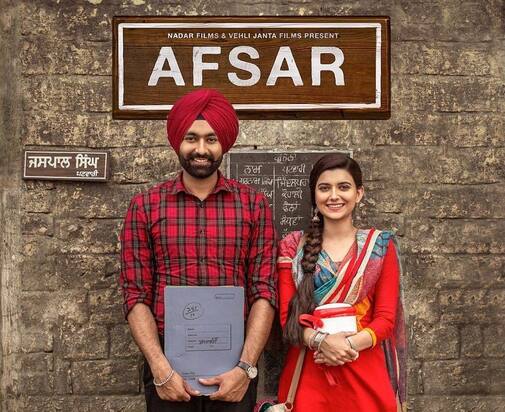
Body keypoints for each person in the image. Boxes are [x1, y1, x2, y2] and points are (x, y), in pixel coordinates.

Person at [120, 89, 277, 412]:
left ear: (224, 143)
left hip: (235, 365)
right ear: (177, 141)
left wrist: (246, 369)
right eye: (191, 138)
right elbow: (135, 294)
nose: (201, 149)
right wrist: (160, 369)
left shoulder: (254, 205)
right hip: (167, 368)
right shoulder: (145, 206)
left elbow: (264, 291)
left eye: (211, 139)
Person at [276, 153, 407, 412]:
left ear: (359, 194)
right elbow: (286, 319)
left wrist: (344, 346)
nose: (334, 196)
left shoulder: (379, 247)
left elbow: (385, 319)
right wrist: (321, 342)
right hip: (308, 374)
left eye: (343, 187)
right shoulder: (292, 247)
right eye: (325, 188)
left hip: (364, 371)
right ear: (314, 195)